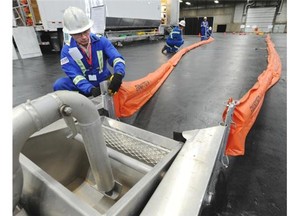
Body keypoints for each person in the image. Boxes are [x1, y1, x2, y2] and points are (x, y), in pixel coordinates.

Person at [53, 6, 126, 97]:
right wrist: (90, 89)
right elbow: (75, 75)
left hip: (104, 80)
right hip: (84, 83)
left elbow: (116, 58)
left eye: (86, 31)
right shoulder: (67, 51)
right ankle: (77, 104)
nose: (84, 37)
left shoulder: (101, 41)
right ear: (70, 34)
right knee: (60, 84)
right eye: (78, 34)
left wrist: (119, 74)